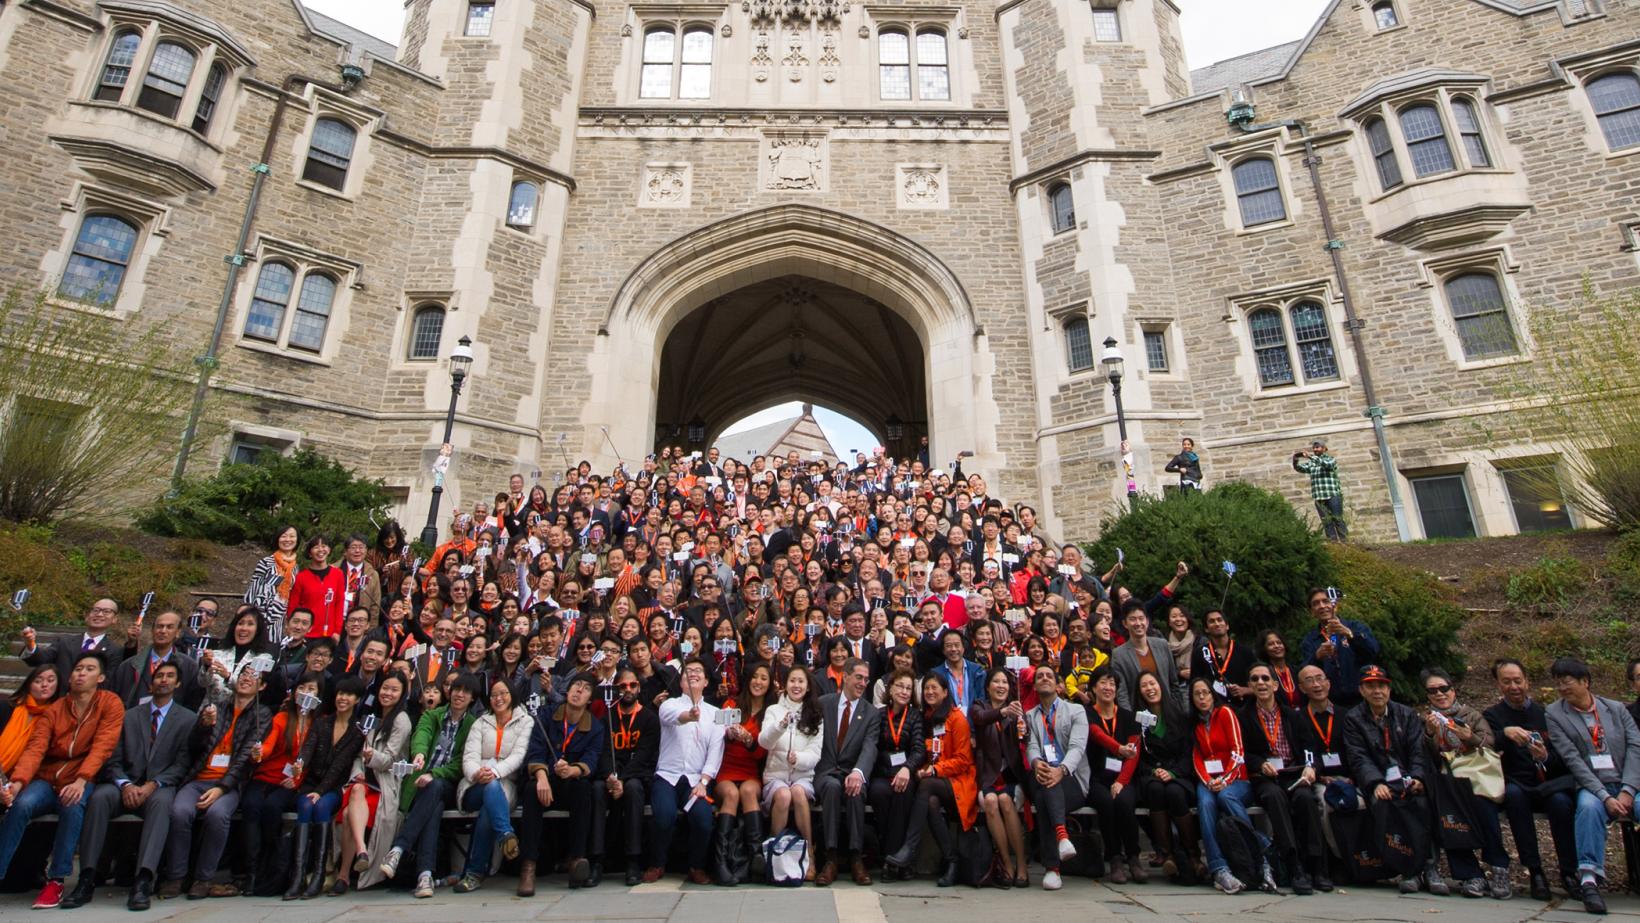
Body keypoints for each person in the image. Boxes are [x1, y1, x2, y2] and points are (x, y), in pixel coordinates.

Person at [68, 660, 198, 911]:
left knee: (162, 804)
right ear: (151, 682)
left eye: (170, 676)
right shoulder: (129, 716)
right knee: (98, 797)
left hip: (158, 787)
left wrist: (153, 784)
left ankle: (144, 879)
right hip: (123, 785)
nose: (164, 680)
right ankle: (87, 876)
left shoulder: (187, 719)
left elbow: (182, 764)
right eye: (160, 675)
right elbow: (112, 758)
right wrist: (125, 784)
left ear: (178, 683)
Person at [0, 652, 123, 910]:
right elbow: (36, 749)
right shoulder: (56, 709)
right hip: (47, 777)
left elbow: (103, 746)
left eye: (89, 669)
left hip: (81, 777)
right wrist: (19, 783)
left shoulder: (110, 703)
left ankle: (56, 879)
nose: (81, 673)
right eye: (78, 668)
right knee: (21, 804)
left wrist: (81, 781)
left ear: (100, 677)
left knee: (72, 804)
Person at [1544, 656, 1640, 915]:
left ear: (1585, 682)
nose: (1563, 689)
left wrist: (1628, 790)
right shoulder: (1555, 714)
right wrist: (1604, 796)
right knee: (1588, 808)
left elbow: (1635, 748)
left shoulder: (1616, 709)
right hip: (1592, 784)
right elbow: (1572, 760)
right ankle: (1589, 879)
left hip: (1626, 782)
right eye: (1559, 684)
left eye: (1568, 682)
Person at [1342, 665, 1442, 896]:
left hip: (1406, 775)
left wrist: (1418, 777)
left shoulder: (1405, 714)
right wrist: (1375, 783)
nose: (1377, 691)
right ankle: (1407, 868)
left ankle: (1429, 866)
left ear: (1389, 689)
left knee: (1423, 802)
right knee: (1384, 805)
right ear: (1362, 690)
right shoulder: (1354, 718)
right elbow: (1359, 757)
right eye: (1371, 686)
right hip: (1378, 779)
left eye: (1382, 686)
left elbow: (1418, 750)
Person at [379, 673, 481, 898]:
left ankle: (398, 849)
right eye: (456, 689)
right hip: (421, 783)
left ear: (472, 698)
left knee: (435, 787)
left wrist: (435, 773)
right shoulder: (433, 716)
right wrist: (420, 756)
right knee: (432, 807)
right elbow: (421, 735)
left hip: (448, 784)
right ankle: (425, 876)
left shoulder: (473, 725)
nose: (459, 695)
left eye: (465, 692)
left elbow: (461, 762)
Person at [1485, 658, 1577, 901]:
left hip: (1550, 782)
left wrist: (1546, 755)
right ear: (1498, 685)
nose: (1514, 686)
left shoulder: (1547, 714)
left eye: (1518, 680)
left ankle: (1569, 872)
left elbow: (1566, 756)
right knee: (1515, 797)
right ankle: (1535, 871)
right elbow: (1486, 742)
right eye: (1507, 682)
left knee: (1561, 803)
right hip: (1518, 783)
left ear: (1527, 682)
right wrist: (1504, 734)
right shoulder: (1493, 715)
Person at [1418, 667, 1511, 900]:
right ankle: (1470, 874)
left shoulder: (1471, 715)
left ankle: (1498, 867)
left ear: (1453, 689)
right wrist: (1430, 735)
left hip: (1476, 777)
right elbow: (1424, 756)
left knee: (1485, 809)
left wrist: (1469, 737)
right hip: (1446, 779)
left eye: (1444, 688)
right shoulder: (1426, 719)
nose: (1440, 694)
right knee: (1449, 816)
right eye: (1433, 691)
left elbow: (1489, 745)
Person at [885, 671, 977, 887]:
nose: (930, 692)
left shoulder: (957, 719)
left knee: (926, 786)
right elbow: (928, 754)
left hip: (959, 781)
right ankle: (951, 860)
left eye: (935, 688)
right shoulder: (925, 717)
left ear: (946, 692)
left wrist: (934, 770)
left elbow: (963, 760)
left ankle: (909, 847)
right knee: (931, 803)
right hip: (937, 783)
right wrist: (923, 769)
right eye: (926, 688)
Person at [518, 672, 606, 894]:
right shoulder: (547, 715)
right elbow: (536, 750)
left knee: (584, 788)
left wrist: (573, 770)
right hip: (545, 781)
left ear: (590, 699)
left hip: (570, 782)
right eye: (576, 685)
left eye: (585, 689)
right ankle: (529, 865)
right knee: (530, 791)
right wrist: (541, 776)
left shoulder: (595, 727)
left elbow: (591, 759)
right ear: (567, 691)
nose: (579, 691)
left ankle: (577, 858)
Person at [1241, 662, 1322, 894]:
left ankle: (1317, 865)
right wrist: (1259, 763)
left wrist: (1310, 767)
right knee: (1275, 798)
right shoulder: (1243, 716)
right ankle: (1293, 863)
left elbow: (1310, 747)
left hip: (1293, 773)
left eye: (1265, 678)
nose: (1260, 683)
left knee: (1305, 799)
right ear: (1249, 685)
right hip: (1265, 777)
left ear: (1275, 685)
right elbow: (1242, 751)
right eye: (1255, 679)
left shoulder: (1293, 715)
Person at [282, 675, 366, 898]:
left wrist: (320, 792)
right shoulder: (322, 722)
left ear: (357, 699)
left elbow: (340, 766)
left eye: (348, 694)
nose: (343, 698)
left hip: (334, 787)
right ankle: (298, 875)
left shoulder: (357, 731)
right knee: (306, 806)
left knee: (318, 807)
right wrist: (299, 764)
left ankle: (319, 873)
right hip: (310, 783)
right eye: (340, 693)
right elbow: (308, 749)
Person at [241, 670, 323, 896]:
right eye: (302, 688)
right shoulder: (282, 718)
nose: (306, 693)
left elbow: (312, 761)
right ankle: (251, 870)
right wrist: (259, 753)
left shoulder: (318, 724)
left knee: (272, 808)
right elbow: (268, 746)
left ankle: (271, 864)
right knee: (250, 806)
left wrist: (297, 778)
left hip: (291, 784)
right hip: (266, 777)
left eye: (311, 689)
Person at [644, 659, 725, 885]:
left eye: (699, 671)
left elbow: (715, 751)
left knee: (702, 819)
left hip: (695, 780)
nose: (694, 674)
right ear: (681, 682)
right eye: (688, 672)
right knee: (664, 816)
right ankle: (657, 863)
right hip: (667, 776)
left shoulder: (715, 713)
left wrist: (704, 782)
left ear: (707, 681)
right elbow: (673, 718)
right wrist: (689, 716)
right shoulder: (670, 705)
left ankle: (696, 866)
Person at [1189, 676, 1267, 895]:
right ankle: (1219, 867)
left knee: (1225, 797)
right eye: (1197, 694)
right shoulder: (1194, 724)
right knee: (1205, 803)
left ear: (1213, 695)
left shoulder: (1225, 714)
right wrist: (1208, 781)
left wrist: (1224, 780)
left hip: (1235, 779)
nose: (1202, 698)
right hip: (1208, 780)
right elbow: (1197, 757)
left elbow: (1238, 750)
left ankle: (1258, 849)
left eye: (1205, 692)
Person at [452, 677, 531, 893]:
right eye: (494, 694)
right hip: (473, 785)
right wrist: (478, 773)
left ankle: (474, 874)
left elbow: (518, 756)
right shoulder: (481, 722)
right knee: (489, 790)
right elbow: (468, 757)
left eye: (503, 693)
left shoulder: (526, 721)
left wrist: (495, 772)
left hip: (506, 785)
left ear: (512, 695)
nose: (499, 698)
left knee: (491, 802)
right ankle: (506, 834)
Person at [339, 673, 413, 892]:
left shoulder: (402, 720)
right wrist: (358, 772)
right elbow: (357, 758)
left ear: (402, 694)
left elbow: (389, 758)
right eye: (384, 688)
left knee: (346, 815)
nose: (387, 693)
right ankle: (360, 853)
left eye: (393, 690)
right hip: (364, 782)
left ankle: (344, 874)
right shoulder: (373, 717)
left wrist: (372, 757)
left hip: (385, 782)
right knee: (356, 791)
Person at [813, 657, 880, 886]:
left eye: (866, 679)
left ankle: (855, 857)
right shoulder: (824, 703)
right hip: (825, 771)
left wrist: (859, 772)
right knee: (831, 787)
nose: (863, 683)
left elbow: (870, 747)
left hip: (852, 772)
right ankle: (830, 857)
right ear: (846, 677)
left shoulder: (871, 713)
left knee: (855, 790)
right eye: (859, 677)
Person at [758, 665, 824, 881]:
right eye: (792, 681)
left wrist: (799, 760)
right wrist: (780, 726)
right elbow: (764, 742)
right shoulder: (774, 711)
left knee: (797, 792)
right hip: (776, 777)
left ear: (807, 687)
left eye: (801, 682)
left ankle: (810, 855)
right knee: (784, 795)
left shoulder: (815, 714)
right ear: (785, 686)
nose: (796, 685)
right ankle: (774, 853)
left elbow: (815, 752)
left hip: (801, 776)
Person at [1024, 665, 1085, 891]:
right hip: (1044, 774)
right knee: (1046, 788)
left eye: (1049, 676)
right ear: (1035, 685)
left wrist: (1061, 769)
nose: (1044, 679)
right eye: (1040, 676)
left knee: (1045, 793)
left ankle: (1053, 869)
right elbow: (1031, 747)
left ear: (1059, 685)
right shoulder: (1030, 716)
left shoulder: (1076, 711)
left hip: (1072, 778)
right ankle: (1062, 838)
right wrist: (1036, 762)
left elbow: (1078, 748)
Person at [1084, 667, 1146, 883]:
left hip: (1124, 777)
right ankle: (1114, 858)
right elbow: (1096, 734)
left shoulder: (1129, 716)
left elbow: (1134, 752)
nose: (1108, 687)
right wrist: (1119, 748)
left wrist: (1121, 782)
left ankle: (1133, 856)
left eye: (1112, 684)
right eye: (1103, 682)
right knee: (1105, 803)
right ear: (1093, 687)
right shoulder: (1086, 713)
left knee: (1124, 801)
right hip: (1097, 777)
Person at [603, 667, 663, 885]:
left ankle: (633, 860)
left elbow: (645, 756)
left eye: (632, 685)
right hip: (612, 775)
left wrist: (622, 779)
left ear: (639, 687)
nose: (628, 690)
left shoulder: (649, 718)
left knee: (633, 788)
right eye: (622, 686)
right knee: (595, 790)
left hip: (638, 775)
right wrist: (611, 776)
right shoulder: (608, 717)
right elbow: (604, 752)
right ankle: (596, 858)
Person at [970, 666, 1028, 887]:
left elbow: (1025, 738)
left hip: (1011, 776)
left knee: (1005, 800)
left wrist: (1022, 724)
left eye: (1005, 682)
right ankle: (1006, 862)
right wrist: (1003, 712)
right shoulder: (979, 706)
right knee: (991, 801)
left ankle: (1021, 863)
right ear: (988, 686)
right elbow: (980, 718)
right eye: (996, 682)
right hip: (987, 776)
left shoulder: (1016, 709)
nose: (1001, 686)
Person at [868, 668, 925, 881]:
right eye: (900, 686)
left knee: (903, 794)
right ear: (890, 689)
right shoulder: (879, 715)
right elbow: (874, 745)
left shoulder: (915, 716)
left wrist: (906, 769)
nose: (904, 691)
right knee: (879, 793)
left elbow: (919, 749)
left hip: (905, 773)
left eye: (908, 688)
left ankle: (890, 861)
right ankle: (896, 860)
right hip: (883, 773)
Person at [1290, 665, 1341, 892]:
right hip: (1318, 779)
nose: (1317, 684)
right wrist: (1320, 775)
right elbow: (1305, 753)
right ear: (1301, 688)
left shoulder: (1346, 715)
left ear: (1328, 682)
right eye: (1310, 681)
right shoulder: (1299, 718)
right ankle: (1329, 863)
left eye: (1320, 678)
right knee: (1322, 802)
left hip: (1349, 778)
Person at [1298, 587, 1380, 708]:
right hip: (1331, 703)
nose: (1322, 606)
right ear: (1312, 611)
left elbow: (1373, 651)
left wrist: (1350, 634)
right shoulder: (1310, 640)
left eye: (1325, 601)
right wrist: (1317, 656)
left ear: (1334, 604)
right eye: (1316, 604)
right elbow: (1304, 672)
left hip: (1362, 699)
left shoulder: (1356, 627)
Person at [19, 598, 129, 684]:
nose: (99, 614)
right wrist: (30, 644)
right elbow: (40, 660)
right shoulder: (63, 642)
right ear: (87, 616)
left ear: (114, 619)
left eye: (106, 611)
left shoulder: (115, 651)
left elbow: (110, 681)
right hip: (58, 703)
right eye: (96, 610)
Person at [111, 609, 201, 709]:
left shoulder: (189, 667)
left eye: (169, 627)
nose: (163, 631)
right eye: (159, 626)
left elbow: (192, 704)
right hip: (133, 720)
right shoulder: (129, 665)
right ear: (152, 630)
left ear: (178, 632)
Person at [1112, 601, 1178, 710]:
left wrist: (1175, 709)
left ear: (1147, 621)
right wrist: (1131, 719)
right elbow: (1122, 694)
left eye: (1141, 618)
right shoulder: (1119, 655)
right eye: (1132, 619)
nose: (1138, 623)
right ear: (1125, 623)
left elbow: (1173, 683)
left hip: (1167, 711)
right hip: (1139, 714)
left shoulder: (1162, 645)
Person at [1188, 610, 1255, 704]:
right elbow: (1193, 685)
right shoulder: (1199, 653)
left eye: (1220, 620)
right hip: (1213, 709)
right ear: (1206, 629)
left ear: (1227, 625)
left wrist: (1245, 690)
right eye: (1212, 621)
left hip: (1242, 709)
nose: (1217, 624)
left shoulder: (1245, 652)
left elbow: (1259, 683)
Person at [289, 534, 348, 639]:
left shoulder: (338, 574)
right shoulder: (301, 577)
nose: (321, 550)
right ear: (310, 553)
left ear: (329, 550)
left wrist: (337, 631)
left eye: (324, 546)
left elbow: (339, 604)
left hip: (329, 634)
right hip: (305, 633)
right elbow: (292, 606)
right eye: (316, 547)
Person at [1292, 439, 1347, 541]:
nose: (1315, 449)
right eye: (1314, 448)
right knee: (1326, 521)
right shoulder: (1312, 463)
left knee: (1337, 519)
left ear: (1324, 449)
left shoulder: (1331, 459)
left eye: (1317, 447)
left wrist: (1310, 457)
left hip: (1333, 495)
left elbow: (1327, 465)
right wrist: (1295, 460)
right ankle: (1333, 543)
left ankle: (1345, 542)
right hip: (1319, 496)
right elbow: (1299, 468)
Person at [246, 525, 300, 625]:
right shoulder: (266, 562)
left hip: (281, 618)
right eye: (284, 536)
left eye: (292, 536)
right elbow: (253, 590)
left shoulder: (295, 568)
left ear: (297, 540)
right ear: (277, 539)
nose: (288, 539)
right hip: (260, 616)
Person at [930, 630, 985, 714]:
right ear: (943, 650)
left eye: (957, 645)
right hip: (948, 722)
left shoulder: (977, 671)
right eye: (948, 646)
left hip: (974, 722)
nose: (953, 649)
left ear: (963, 648)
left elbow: (982, 700)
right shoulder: (936, 674)